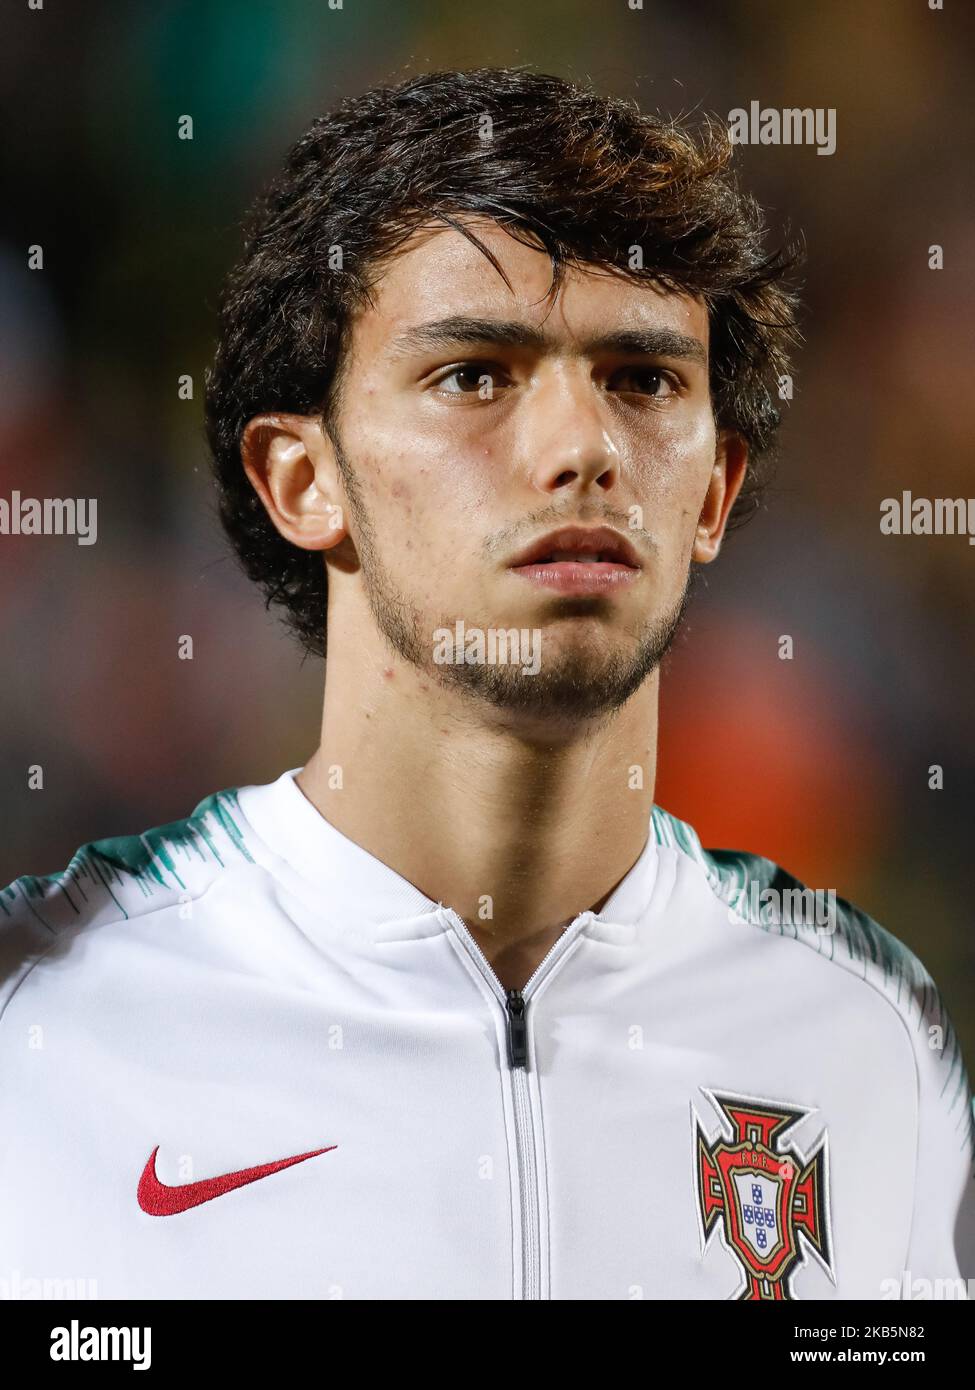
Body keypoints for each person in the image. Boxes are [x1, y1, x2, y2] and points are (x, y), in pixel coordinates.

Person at [2, 67, 972, 1302]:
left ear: (715, 491)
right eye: (475, 374)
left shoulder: (871, 1034)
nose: (580, 451)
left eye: (643, 380)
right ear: (305, 480)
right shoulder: (44, 1020)